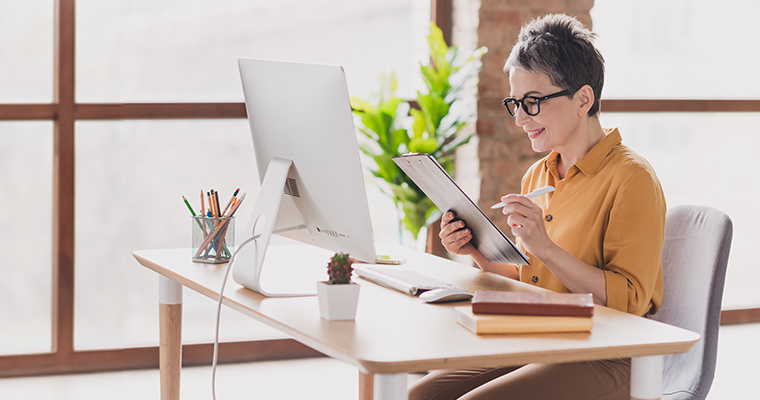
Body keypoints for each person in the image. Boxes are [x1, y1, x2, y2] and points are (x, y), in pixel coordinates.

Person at [408, 13, 666, 400]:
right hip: (546, 336)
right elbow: (534, 280)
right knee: (422, 395)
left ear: (583, 99)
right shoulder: (538, 175)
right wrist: (474, 248)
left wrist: (544, 245)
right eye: (516, 103)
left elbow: (630, 302)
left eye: (534, 102)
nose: (521, 119)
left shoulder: (632, 178)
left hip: (611, 352)